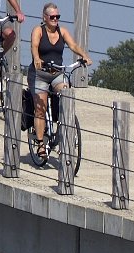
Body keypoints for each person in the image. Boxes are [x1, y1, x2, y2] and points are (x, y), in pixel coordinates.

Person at [28, 3, 91, 161]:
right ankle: (41, 143)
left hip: (57, 72)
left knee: (66, 95)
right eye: (52, 17)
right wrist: (36, 59)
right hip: (40, 73)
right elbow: (34, 46)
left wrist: (84, 56)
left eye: (58, 17)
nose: (55, 19)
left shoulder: (62, 31)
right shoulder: (38, 30)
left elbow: (73, 45)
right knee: (40, 108)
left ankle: (63, 130)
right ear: (45, 17)